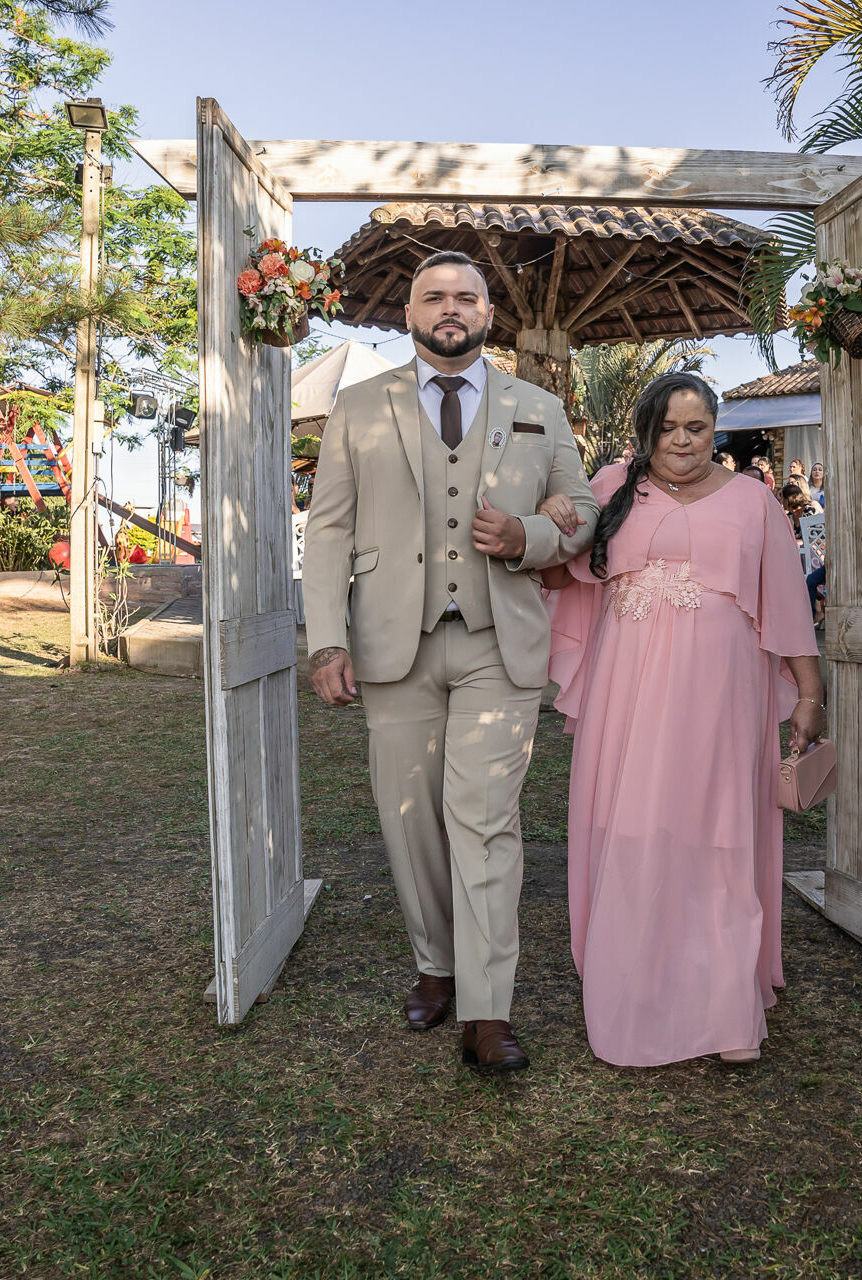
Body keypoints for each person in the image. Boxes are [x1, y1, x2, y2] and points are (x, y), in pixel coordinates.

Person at [302, 250, 598, 1075]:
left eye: (466, 294)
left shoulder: (539, 406)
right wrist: (327, 638)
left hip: (499, 644)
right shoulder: (359, 407)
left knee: (483, 817)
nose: (451, 306)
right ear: (409, 313)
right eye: (434, 295)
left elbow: (587, 512)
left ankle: (486, 1009)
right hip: (392, 644)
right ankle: (436, 961)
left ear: (488, 312)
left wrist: (531, 537)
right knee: (409, 820)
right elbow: (326, 529)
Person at [541, 371, 824, 1068]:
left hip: (722, 696)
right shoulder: (611, 487)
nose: (682, 442)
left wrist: (810, 697)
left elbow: (787, 606)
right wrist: (547, 516)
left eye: (696, 428)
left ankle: (724, 1008)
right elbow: (560, 568)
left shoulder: (755, 501)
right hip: (628, 692)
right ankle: (633, 981)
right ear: (647, 430)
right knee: (632, 822)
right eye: (668, 428)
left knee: (717, 830)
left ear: (715, 430)